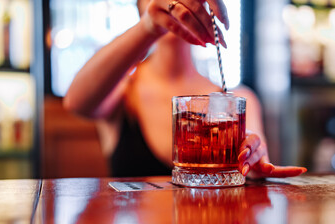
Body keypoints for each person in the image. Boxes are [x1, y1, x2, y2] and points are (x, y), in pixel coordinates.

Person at [63, 0, 307, 178]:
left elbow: (254, 164)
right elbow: (75, 101)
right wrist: (149, 26)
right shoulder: (122, 93)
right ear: (139, 7)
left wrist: (252, 157)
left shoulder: (239, 100)